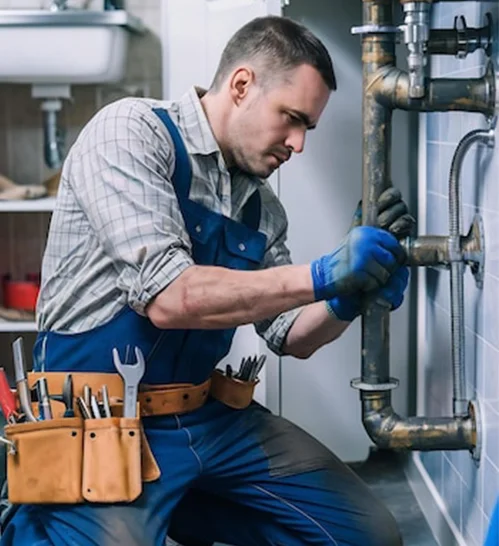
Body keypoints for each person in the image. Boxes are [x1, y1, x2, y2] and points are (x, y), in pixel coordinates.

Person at [1, 15, 414, 546]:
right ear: (242, 86)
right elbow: (170, 297)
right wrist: (322, 274)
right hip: (95, 422)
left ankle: (179, 505)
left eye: (307, 127)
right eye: (290, 118)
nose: (297, 143)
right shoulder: (132, 133)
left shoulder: (262, 209)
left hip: (206, 418)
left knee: (369, 536)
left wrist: (348, 298)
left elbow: (290, 334)